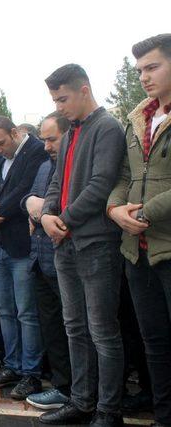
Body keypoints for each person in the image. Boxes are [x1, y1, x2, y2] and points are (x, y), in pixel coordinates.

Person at [39, 64, 125, 426]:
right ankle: (82, 401)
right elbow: (57, 181)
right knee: (74, 326)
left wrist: (64, 221)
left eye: (63, 98)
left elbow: (101, 183)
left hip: (96, 245)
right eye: (55, 100)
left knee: (103, 331)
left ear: (84, 90)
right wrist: (46, 214)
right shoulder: (73, 131)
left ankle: (108, 410)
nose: (59, 107)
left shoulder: (107, 128)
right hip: (66, 244)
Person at [107, 34, 171, 427]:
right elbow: (125, 174)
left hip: (167, 246)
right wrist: (115, 209)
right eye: (140, 71)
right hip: (136, 249)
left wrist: (143, 213)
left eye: (153, 67)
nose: (145, 77)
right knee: (155, 344)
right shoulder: (139, 118)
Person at [0, 116, 48, 400]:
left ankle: (31, 374)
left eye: (1, 143)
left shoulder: (36, 151)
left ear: (15, 132)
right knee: (4, 310)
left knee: (26, 313)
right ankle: (12, 365)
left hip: (22, 244)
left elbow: (24, 192)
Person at [21, 112, 72, 410]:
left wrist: (41, 210)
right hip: (39, 259)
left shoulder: (75, 166)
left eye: (52, 139)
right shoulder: (44, 166)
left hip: (64, 259)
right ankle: (62, 386)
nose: (46, 146)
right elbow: (29, 197)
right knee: (51, 326)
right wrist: (30, 205)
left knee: (74, 329)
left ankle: (80, 391)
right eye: (44, 139)